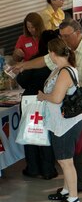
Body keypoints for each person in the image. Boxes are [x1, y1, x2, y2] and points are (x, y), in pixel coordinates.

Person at [15, 19, 82, 200]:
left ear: (78, 33)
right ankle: (76, 185)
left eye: (67, 36)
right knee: (74, 150)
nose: (64, 39)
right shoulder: (64, 51)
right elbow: (44, 61)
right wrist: (23, 65)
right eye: (62, 36)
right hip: (70, 111)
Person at [38, 39, 82, 202]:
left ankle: (73, 198)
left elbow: (57, 98)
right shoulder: (60, 69)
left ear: (52, 53)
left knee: (66, 161)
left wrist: (43, 96)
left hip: (66, 123)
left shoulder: (64, 72)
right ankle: (66, 190)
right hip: (62, 123)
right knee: (65, 159)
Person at [15, 29, 59, 181]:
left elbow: (22, 80)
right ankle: (48, 170)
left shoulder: (34, 60)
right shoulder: (58, 62)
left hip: (30, 100)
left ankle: (32, 168)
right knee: (46, 134)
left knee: (30, 134)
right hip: (49, 100)